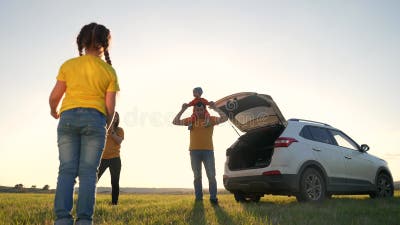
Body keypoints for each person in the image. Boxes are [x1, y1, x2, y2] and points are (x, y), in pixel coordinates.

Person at [49, 22, 119, 225]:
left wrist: (54, 111)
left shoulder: (68, 65)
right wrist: (104, 127)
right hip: (95, 120)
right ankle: (84, 221)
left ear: (81, 42)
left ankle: (62, 220)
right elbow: (110, 108)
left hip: (68, 118)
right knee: (89, 173)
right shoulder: (109, 71)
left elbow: (54, 97)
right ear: (104, 45)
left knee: (67, 170)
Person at [172, 101, 228, 205]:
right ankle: (198, 198)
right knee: (197, 176)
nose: (199, 112)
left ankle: (213, 198)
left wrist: (215, 108)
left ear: (204, 109)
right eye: (197, 110)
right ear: (195, 110)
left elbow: (225, 118)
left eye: (201, 109)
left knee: (211, 175)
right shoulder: (191, 120)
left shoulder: (210, 119)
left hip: (208, 152)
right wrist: (183, 109)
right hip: (194, 152)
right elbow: (175, 121)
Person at [97, 112, 124, 205]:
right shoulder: (102, 128)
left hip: (115, 159)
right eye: (113, 116)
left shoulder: (119, 130)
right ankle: (88, 200)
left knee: (115, 182)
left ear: (117, 119)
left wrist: (112, 130)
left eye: (116, 117)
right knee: (94, 179)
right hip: (102, 159)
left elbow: (119, 141)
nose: (114, 118)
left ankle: (114, 204)